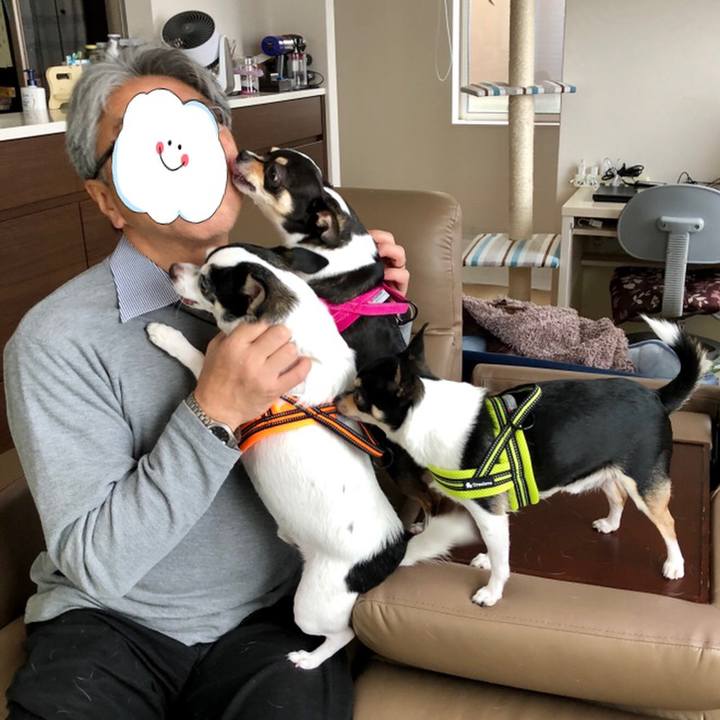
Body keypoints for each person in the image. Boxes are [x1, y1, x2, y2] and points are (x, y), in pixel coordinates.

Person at [3, 46, 409, 720]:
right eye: (145, 136)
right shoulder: (55, 341)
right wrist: (211, 411)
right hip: (111, 626)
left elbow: (375, 451)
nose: (181, 147)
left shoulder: (307, 295)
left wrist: (378, 320)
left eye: (201, 123)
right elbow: (97, 564)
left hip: (274, 617)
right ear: (106, 199)